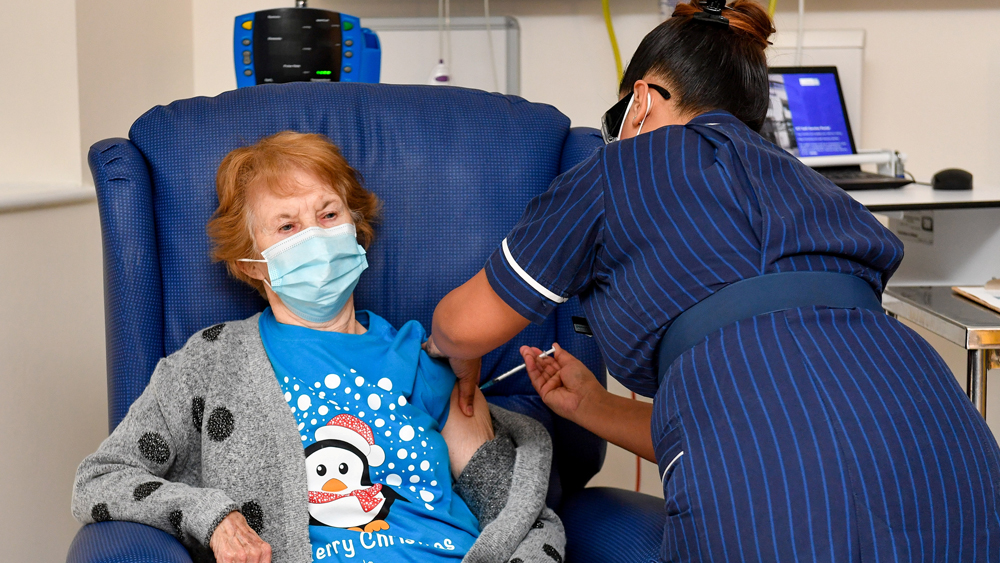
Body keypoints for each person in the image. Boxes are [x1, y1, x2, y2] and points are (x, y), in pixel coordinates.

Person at [427, 1, 1000, 561]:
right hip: (950, 454)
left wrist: (461, 356)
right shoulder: (817, 189)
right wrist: (593, 406)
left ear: (640, 101)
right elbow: (784, 411)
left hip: (783, 504)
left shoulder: (616, 169)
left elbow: (461, 327)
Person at [72, 132, 565, 563]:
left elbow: (513, 510)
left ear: (356, 229)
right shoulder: (211, 362)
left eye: (329, 214)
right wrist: (212, 517)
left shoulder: (422, 358)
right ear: (250, 262)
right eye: (287, 226)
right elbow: (101, 479)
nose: (316, 237)